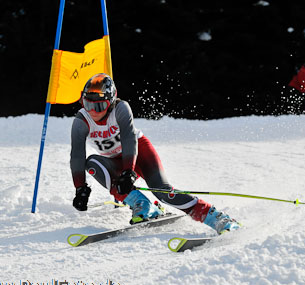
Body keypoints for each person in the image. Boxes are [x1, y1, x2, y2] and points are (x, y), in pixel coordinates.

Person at [70, 73, 240, 235]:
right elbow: (77, 155)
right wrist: (80, 188)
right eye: (88, 104)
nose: (93, 111)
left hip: (139, 152)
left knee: (163, 192)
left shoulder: (121, 109)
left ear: (111, 101)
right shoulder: (81, 120)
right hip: (115, 160)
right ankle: (143, 205)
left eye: (99, 106)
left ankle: (218, 218)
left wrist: (129, 171)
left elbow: (129, 139)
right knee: (92, 163)